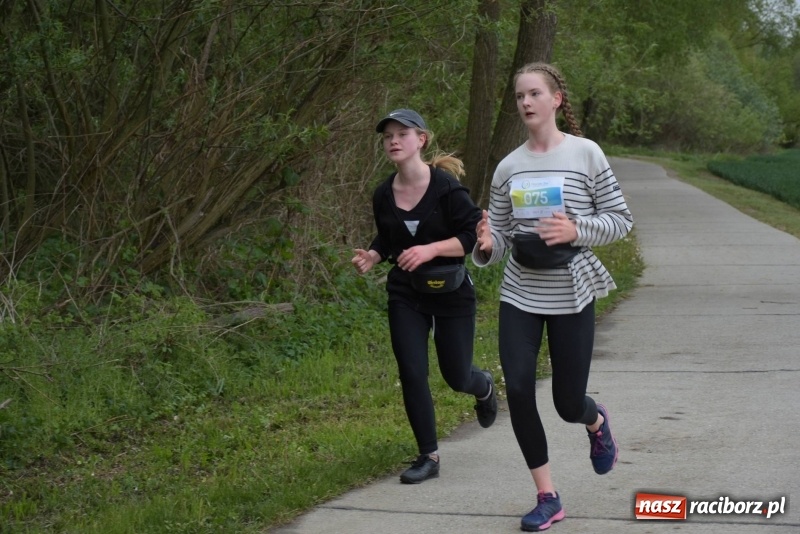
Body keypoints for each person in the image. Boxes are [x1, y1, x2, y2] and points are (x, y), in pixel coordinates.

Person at [472, 63, 633, 531]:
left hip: (572, 290)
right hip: (521, 291)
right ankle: (547, 496)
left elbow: (620, 221)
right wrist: (487, 244)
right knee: (519, 389)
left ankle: (595, 422)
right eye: (520, 95)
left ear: (556, 99)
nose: (525, 102)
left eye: (534, 93)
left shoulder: (587, 154)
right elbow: (500, 233)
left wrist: (576, 229)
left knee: (566, 403)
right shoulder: (509, 166)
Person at [352, 108, 497, 484]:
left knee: (457, 377)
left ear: (422, 140)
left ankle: (483, 386)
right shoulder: (383, 193)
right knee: (412, 371)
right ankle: (428, 455)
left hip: (451, 293)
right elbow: (388, 237)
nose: (394, 141)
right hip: (406, 292)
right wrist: (373, 254)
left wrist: (430, 250)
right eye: (388, 136)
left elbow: (470, 238)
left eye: (402, 134)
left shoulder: (446, 188)